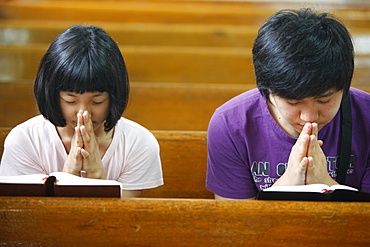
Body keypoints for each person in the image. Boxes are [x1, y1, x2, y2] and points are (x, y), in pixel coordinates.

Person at [206, 8, 370, 200]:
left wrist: (325, 183)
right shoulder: (230, 125)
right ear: (267, 90)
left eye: (324, 100)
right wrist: (289, 182)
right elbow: (235, 224)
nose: (309, 117)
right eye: (294, 102)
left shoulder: (366, 116)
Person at [0, 25, 164, 198]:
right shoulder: (25, 141)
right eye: (70, 101)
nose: (83, 113)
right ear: (53, 95)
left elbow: (124, 222)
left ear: (114, 95)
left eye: (97, 101)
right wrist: (68, 176)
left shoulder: (138, 143)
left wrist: (97, 178)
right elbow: (27, 219)